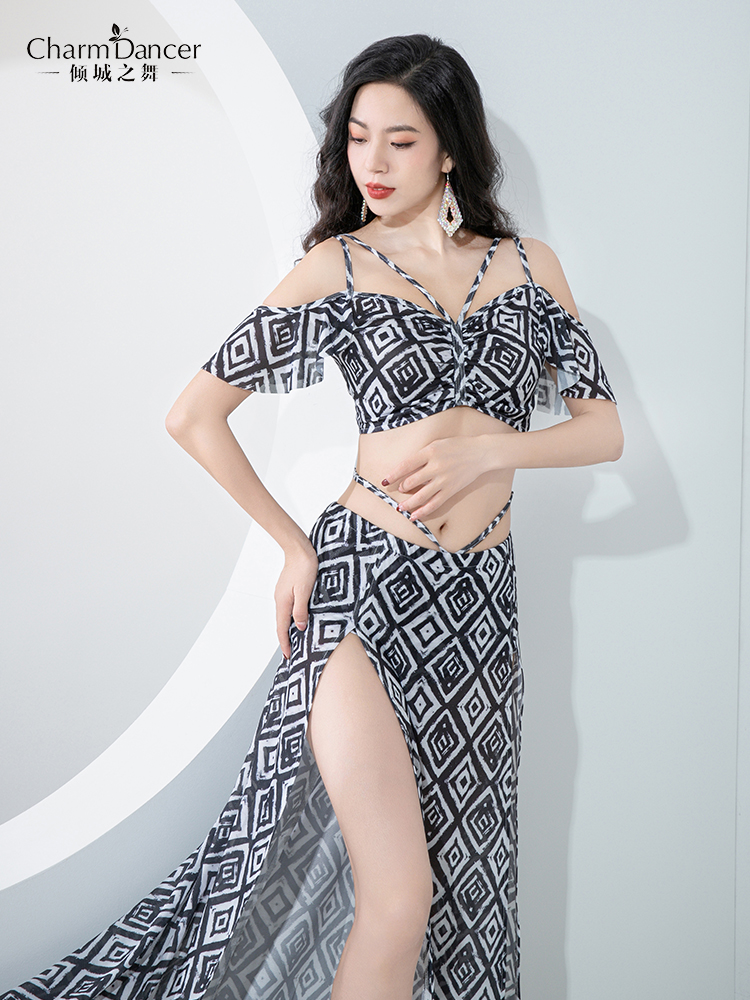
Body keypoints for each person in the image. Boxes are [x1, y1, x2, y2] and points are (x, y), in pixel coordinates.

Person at [3, 33, 622, 1000]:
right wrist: (294, 546)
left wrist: (493, 449)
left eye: (401, 141)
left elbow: (602, 430)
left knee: (464, 895)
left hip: (478, 613)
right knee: (400, 896)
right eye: (358, 138)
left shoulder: (527, 266)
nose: (372, 162)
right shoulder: (337, 268)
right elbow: (194, 416)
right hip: (361, 593)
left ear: (450, 150)